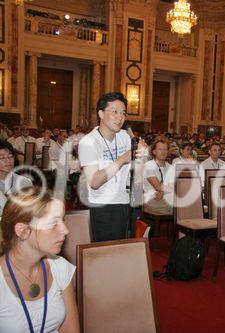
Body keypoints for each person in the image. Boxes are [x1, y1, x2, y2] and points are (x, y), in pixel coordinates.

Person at [0, 188, 79, 332]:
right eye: (53, 223)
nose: (65, 230)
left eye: (62, 220)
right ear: (23, 231)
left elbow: (69, 329)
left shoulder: (60, 267)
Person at [79, 92, 146, 242]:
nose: (120, 117)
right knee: (105, 256)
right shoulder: (88, 142)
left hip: (126, 205)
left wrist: (141, 157)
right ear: (101, 114)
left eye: (123, 113)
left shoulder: (125, 137)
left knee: (125, 254)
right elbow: (94, 182)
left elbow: (137, 173)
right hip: (103, 208)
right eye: (114, 112)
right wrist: (122, 159)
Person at [143, 137, 175, 215]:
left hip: (167, 198)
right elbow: (158, 187)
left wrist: (164, 192)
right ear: (154, 152)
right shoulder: (148, 165)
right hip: (153, 199)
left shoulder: (171, 167)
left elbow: (175, 185)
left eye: (165, 149)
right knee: (182, 209)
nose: (163, 152)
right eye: (160, 149)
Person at [0, 140, 32, 215]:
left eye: (10, 156)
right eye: (2, 158)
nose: (8, 161)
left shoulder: (25, 182)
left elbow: (29, 211)